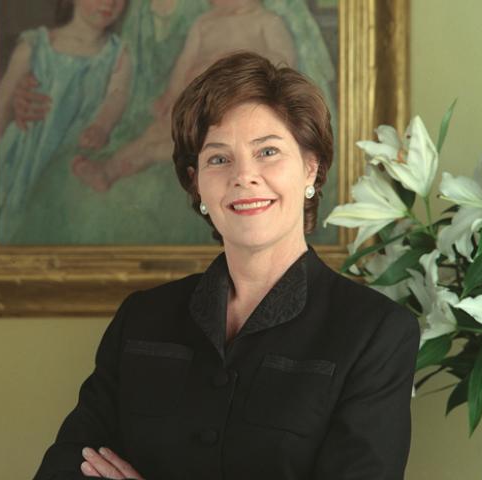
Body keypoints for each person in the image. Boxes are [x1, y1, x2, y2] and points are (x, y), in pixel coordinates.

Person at [33, 52, 420, 480]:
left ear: (311, 168)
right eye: (219, 158)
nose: (244, 176)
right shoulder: (141, 318)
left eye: (268, 151)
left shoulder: (376, 332)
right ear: (195, 181)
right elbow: (65, 469)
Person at [71, 0, 297, 192]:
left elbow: (284, 61)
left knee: (183, 146)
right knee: (153, 134)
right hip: (193, 102)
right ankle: (109, 170)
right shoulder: (204, 23)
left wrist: (240, 60)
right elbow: (184, 63)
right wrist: (170, 95)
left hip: (235, 106)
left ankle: (145, 159)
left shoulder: (267, 21)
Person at [0, 0, 131, 243]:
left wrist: (101, 126)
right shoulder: (36, 45)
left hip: (72, 154)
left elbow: (117, 97)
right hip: (25, 152)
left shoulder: (118, 52)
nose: (110, 3)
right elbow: (1, 104)